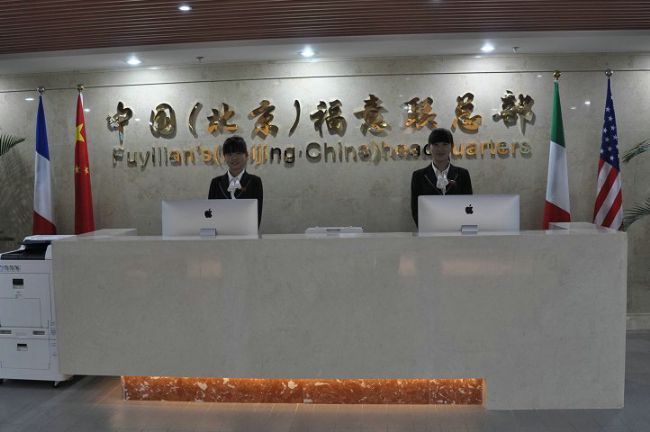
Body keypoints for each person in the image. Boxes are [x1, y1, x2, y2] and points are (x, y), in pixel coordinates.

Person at [411, 128, 472, 226]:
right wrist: (426, 228)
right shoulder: (419, 176)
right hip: (429, 230)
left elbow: (468, 205)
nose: (440, 149)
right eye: (436, 145)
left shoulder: (462, 174)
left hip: (457, 229)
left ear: (451, 147)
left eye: (445, 144)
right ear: (429, 147)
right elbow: (416, 209)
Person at [208, 136, 263, 225]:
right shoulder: (216, 183)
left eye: (238, 153)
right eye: (229, 154)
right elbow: (211, 214)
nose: (234, 158)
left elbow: (257, 215)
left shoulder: (254, 182)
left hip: (246, 232)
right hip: (220, 232)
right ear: (224, 157)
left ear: (246, 155)